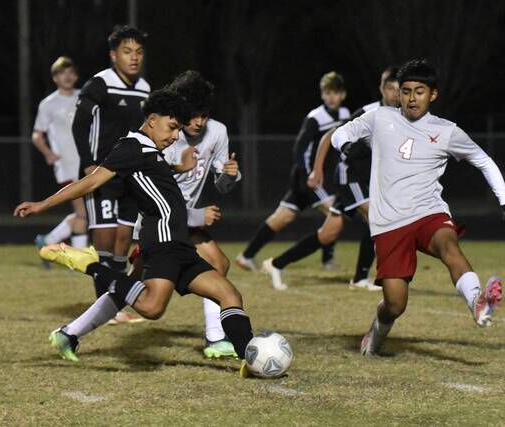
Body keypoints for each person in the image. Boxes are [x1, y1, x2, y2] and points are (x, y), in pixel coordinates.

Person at [14, 89, 255, 377]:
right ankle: (87, 264)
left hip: (181, 245)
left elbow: (157, 186)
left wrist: (179, 167)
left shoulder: (152, 152)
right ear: (152, 120)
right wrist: (43, 204)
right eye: (172, 127)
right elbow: (90, 182)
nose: (176, 135)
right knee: (152, 307)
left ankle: (251, 359)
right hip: (162, 242)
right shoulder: (131, 147)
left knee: (229, 294)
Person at [331, 59, 504, 355]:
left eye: (419, 91)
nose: (412, 98)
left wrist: (504, 198)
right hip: (389, 223)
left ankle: (478, 303)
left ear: (433, 95)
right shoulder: (379, 118)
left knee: (450, 247)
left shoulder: (447, 131)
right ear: (398, 93)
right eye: (406, 91)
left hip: (428, 212)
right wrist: (347, 146)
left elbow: (484, 161)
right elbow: (338, 134)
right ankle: (376, 331)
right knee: (395, 304)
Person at [127, 71, 241, 358]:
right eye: (192, 115)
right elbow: (156, 195)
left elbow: (221, 184)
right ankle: (74, 328)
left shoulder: (218, 132)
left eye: (204, 114)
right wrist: (197, 216)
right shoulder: (165, 135)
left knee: (218, 263)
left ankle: (215, 339)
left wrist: (231, 176)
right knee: (135, 288)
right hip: (158, 222)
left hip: (183, 223)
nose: (198, 122)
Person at [261, 67, 400, 291]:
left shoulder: (403, 116)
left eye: (398, 89)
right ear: (381, 89)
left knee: (327, 235)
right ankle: (360, 278)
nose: (394, 94)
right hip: (351, 176)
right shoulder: (368, 112)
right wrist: (317, 170)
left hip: (370, 179)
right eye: (389, 88)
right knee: (377, 218)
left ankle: (276, 264)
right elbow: (329, 135)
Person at [72, 25, 150, 323]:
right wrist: (88, 163)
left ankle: (114, 302)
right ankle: (104, 306)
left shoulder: (144, 88)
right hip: (102, 174)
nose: (134, 58)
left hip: (130, 176)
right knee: (104, 238)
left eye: (139, 52)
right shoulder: (100, 84)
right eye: (127, 52)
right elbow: (80, 125)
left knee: (123, 239)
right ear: (113, 55)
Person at [236, 71, 350, 274]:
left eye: (335, 92)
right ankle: (328, 261)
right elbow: (299, 148)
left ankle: (246, 256)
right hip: (309, 177)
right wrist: (309, 175)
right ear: (322, 94)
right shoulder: (315, 118)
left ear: (343, 94)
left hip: (312, 178)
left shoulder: (344, 115)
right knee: (335, 211)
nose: (331, 97)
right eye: (327, 92)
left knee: (282, 217)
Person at [32, 57, 89, 269]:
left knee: (85, 214)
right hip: (66, 165)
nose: (67, 76)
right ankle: (82, 260)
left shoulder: (84, 97)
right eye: (62, 73)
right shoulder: (48, 104)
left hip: (87, 165)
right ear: (55, 77)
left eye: (71, 72)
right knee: (83, 213)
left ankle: (46, 242)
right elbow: (37, 135)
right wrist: (47, 153)